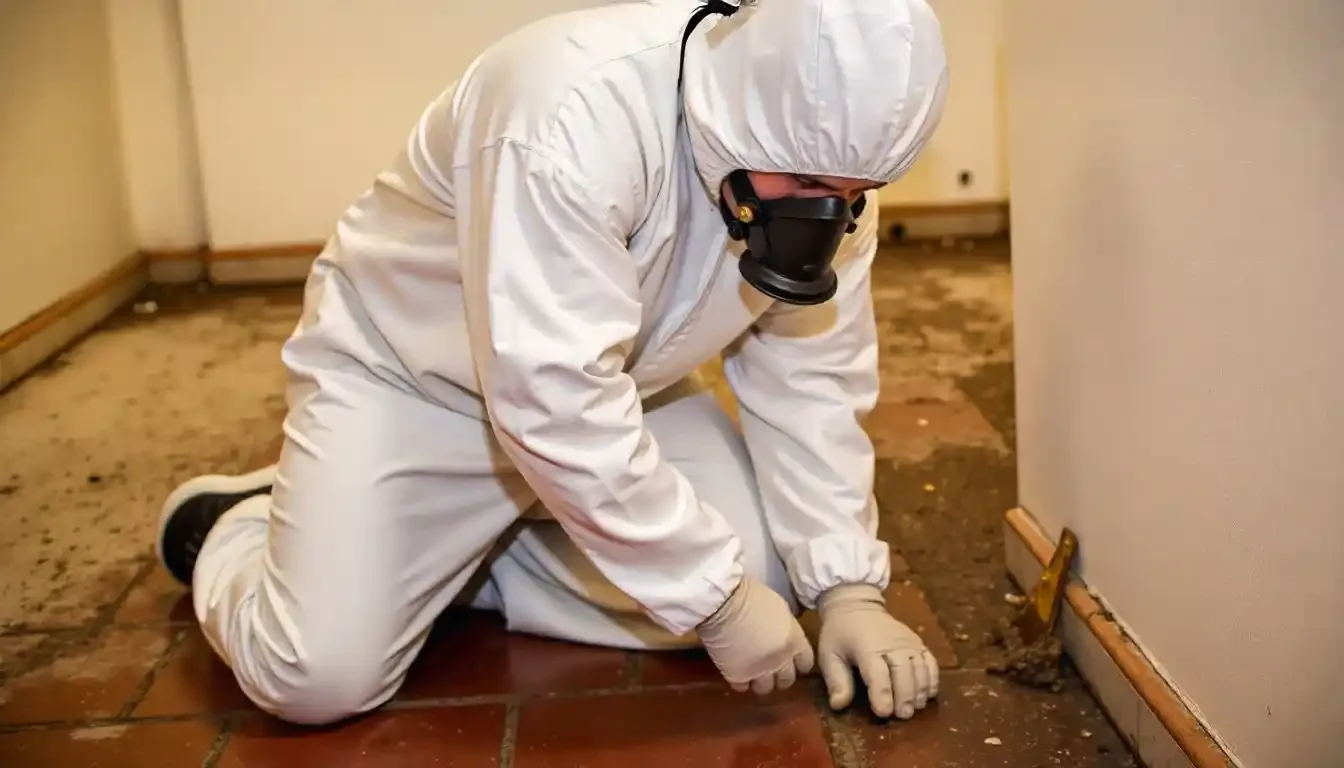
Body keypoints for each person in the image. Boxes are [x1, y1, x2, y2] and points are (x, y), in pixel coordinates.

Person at [156, 0, 949, 728]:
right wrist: (713, 601)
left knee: (769, 576)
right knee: (312, 677)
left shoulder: (831, 159)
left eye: (858, 190)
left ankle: (453, 560)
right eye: (807, 181)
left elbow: (811, 376)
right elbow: (551, 395)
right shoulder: (566, 111)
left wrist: (847, 587)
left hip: (627, 389)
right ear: (739, 105)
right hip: (414, 386)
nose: (828, 211)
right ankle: (240, 527)